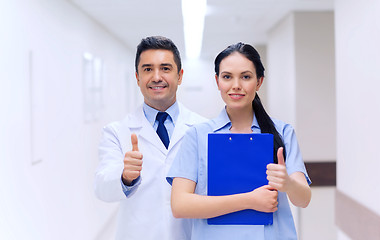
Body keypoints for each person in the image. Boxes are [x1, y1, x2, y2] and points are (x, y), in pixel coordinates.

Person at [167, 42, 311, 240]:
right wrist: (250, 200)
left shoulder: (282, 132)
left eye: (246, 77)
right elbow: (180, 205)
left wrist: (288, 183)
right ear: (217, 81)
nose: (236, 85)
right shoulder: (198, 136)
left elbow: (303, 199)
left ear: (259, 82)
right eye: (227, 77)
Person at [94, 36, 207, 240]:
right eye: (147, 69)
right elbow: (102, 188)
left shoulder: (205, 129)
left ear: (180, 76)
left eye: (165, 68)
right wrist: (125, 177)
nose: (156, 77)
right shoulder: (117, 132)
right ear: (137, 77)